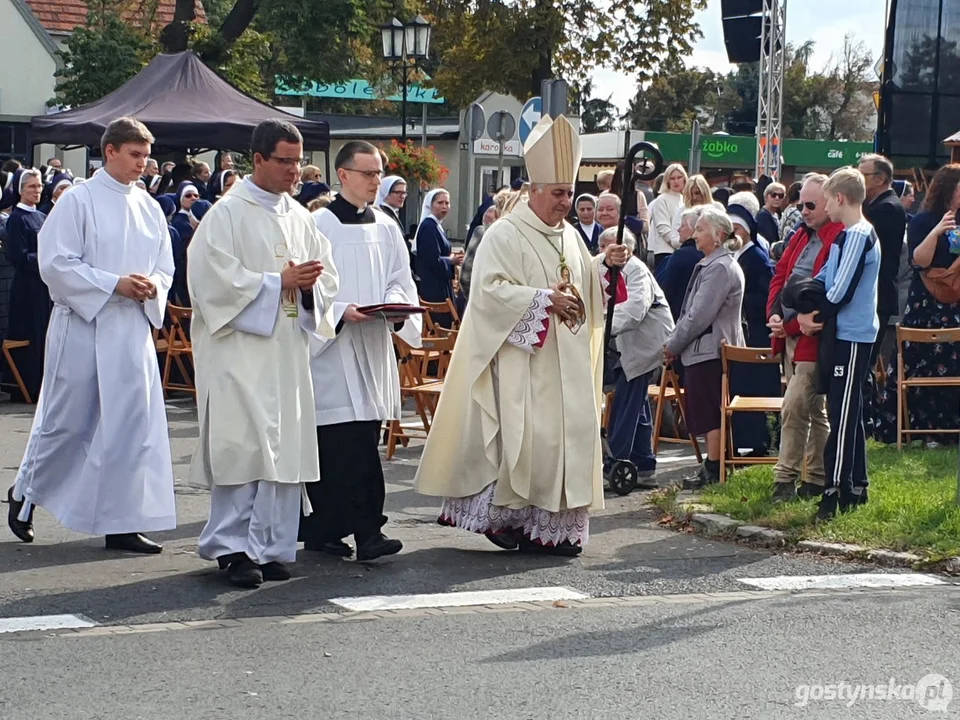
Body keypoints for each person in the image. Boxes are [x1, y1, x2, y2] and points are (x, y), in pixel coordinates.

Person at [414, 115, 629, 556]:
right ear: (533, 191)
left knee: (569, 436)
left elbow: (581, 280)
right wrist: (541, 300)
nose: (565, 203)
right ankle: (512, 521)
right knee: (532, 441)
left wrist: (603, 265)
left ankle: (554, 527)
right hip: (522, 363)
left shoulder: (569, 235)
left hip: (565, 361)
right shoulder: (504, 234)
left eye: (569, 193)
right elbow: (488, 292)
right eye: (557, 194)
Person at [5, 117, 176, 552]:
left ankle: (121, 521)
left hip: (130, 326)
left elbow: (164, 263)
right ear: (111, 151)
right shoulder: (78, 200)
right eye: (135, 155)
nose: (143, 164)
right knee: (67, 420)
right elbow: (55, 263)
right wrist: (112, 283)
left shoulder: (149, 206)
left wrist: (153, 285)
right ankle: (26, 491)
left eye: (146, 156)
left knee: (130, 425)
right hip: (83, 322)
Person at [188, 119, 340, 588]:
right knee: (244, 447)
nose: (296, 172)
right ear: (258, 160)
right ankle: (232, 548)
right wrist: (278, 284)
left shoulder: (300, 217)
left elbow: (327, 278)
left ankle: (271, 546)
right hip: (239, 353)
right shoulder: (226, 215)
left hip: (287, 352)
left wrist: (313, 288)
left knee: (283, 449)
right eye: (286, 162)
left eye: (298, 162)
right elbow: (210, 280)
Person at [300, 141, 421, 561]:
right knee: (340, 444)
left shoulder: (386, 225)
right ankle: (365, 532)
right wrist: (338, 312)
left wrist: (395, 306)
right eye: (368, 173)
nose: (375, 181)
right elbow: (305, 287)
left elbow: (400, 277)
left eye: (378, 173)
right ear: (343, 175)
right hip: (332, 350)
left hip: (372, 342)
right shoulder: (317, 225)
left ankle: (326, 531)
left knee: (364, 436)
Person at [795, 167, 880, 520]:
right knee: (849, 408)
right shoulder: (847, 236)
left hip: (853, 335)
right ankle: (856, 485)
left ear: (840, 198)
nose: (825, 207)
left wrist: (811, 312)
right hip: (844, 333)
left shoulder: (858, 235)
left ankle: (833, 491)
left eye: (827, 199)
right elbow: (821, 279)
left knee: (842, 414)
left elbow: (837, 291)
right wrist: (802, 306)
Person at [868, 165, 960, 444]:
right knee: (920, 364)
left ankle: (949, 430)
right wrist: (938, 231)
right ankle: (919, 429)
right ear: (949, 190)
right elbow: (918, 261)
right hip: (926, 305)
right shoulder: (922, 220)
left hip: (956, 301)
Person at [766, 174, 842, 502]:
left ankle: (785, 479)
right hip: (792, 333)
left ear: (831, 203)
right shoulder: (801, 234)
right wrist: (775, 315)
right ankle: (815, 478)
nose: (804, 211)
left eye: (811, 205)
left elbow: (826, 298)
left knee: (795, 406)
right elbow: (780, 275)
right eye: (801, 205)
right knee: (811, 409)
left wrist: (792, 324)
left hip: (814, 337)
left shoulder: (839, 237)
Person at [663, 207, 745, 489]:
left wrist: (673, 344)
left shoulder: (719, 267)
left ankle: (714, 468)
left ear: (718, 235)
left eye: (700, 230)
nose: (694, 235)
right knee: (706, 408)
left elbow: (698, 315)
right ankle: (713, 465)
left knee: (710, 409)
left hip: (710, 348)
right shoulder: (715, 263)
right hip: (707, 347)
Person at [602, 226, 674, 481]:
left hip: (649, 343)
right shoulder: (607, 270)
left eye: (613, 248)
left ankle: (616, 461)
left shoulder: (637, 271)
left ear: (629, 250)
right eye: (603, 249)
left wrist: (601, 325)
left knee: (626, 399)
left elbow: (634, 310)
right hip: (630, 343)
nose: (607, 254)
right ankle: (644, 465)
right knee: (637, 399)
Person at [3, 169, 52, 401]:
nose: (37, 190)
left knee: (44, 333)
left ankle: (42, 383)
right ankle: (26, 386)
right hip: (26, 286)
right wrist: (43, 259)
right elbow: (17, 255)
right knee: (29, 333)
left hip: (43, 286)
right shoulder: (16, 219)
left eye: (39, 186)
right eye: (32, 186)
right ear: (21, 190)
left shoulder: (42, 217)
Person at [858, 153, 906, 364]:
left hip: (876, 295)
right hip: (871, 295)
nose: (858, 180)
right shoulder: (875, 205)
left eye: (862, 175)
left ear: (880, 179)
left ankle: (867, 399)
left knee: (864, 363)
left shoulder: (886, 208)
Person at [415, 188, 462, 325]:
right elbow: (431, 259)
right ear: (431, 205)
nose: (444, 206)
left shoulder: (436, 225)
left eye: (447, 203)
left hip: (440, 281)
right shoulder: (429, 227)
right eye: (440, 202)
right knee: (439, 323)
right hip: (433, 285)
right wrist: (450, 260)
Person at [648, 165, 687, 270]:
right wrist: (677, 243)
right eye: (672, 178)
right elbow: (663, 227)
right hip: (665, 251)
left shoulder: (685, 199)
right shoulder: (662, 199)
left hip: (682, 250)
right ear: (667, 180)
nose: (676, 181)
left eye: (679, 177)